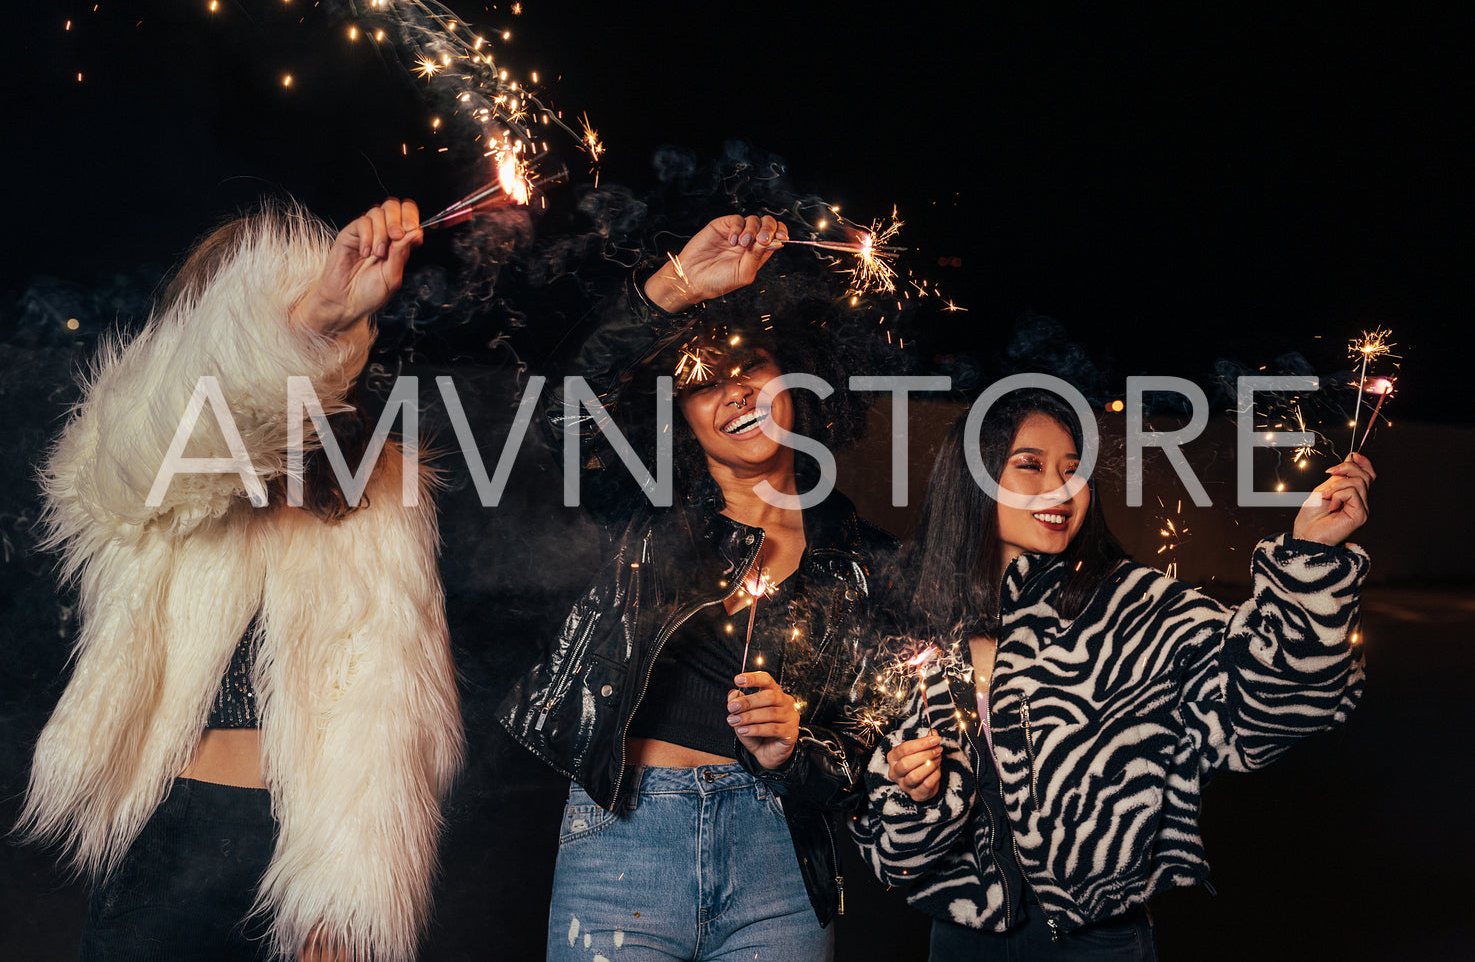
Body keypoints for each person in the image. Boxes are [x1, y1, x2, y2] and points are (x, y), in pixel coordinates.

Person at [16, 198, 464, 961]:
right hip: (168, 837)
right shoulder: (132, 447)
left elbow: (392, 704)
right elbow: (193, 421)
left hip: (307, 849)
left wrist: (348, 898)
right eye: (260, 314)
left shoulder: (381, 486)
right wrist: (313, 317)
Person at [850, 388, 1373, 960]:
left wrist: (1311, 557)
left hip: (1099, 941)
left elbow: (1271, 706)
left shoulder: (1137, 608)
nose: (1061, 487)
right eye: (1030, 465)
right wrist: (914, 797)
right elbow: (886, 851)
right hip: (960, 940)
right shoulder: (913, 627)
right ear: (971, 480)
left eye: (1074, 470)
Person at [499, 214, 897, 960]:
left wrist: (792, 749)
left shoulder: (860, 556)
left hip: (777, 861)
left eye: (751, 370)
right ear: (680, 418)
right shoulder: (642, 512)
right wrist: (674, 285)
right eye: (704, 383)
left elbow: (860, 754)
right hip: (624, 841)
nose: (734, 394)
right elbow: (562, 414)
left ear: (796, 378)